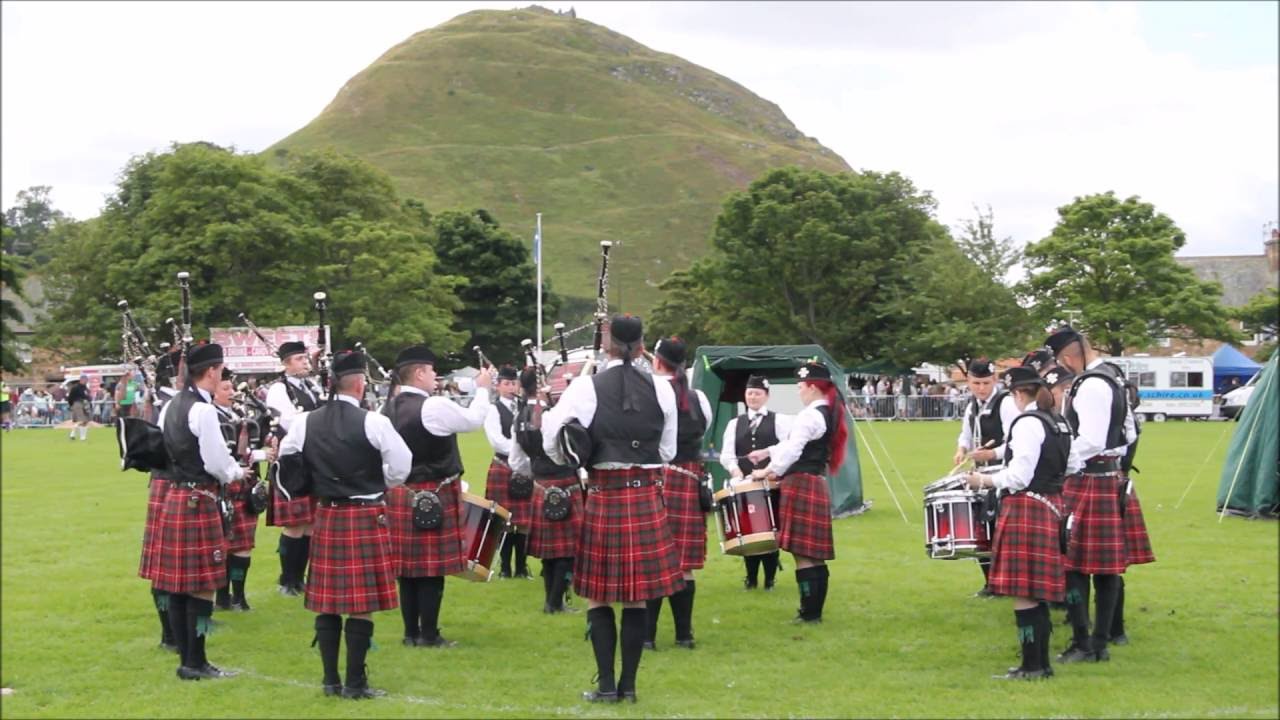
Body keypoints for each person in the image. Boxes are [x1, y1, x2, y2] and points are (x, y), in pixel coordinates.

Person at [542, 315, 683, 703]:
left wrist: (580, 456)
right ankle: (630, 687)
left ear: (607, 344)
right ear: (641, 347)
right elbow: (668, 451)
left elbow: (553, 438)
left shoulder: (586, 387)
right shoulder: (662, 388)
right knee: (637, 596)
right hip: (645, 496)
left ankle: (606, 686)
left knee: (599, 596)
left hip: (605, 495)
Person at [276, 349, 412, 699]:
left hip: (328, 514)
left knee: (327, 601)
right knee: (360, 604)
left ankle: (329, 681)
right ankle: (354, 684)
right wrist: (375, 480)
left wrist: (314, 480)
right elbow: (400, 467)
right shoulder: (373, 421)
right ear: (360, 383)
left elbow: (287, 459)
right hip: (365, 515)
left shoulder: (305, 421)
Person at [964, 366, 1071, 680]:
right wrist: (994, 454)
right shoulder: (1058, 421)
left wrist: (982, 479)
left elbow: (1018, 476)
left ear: (1015, 393)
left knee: (1024, 593)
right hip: (1052, 504)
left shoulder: (1027, 423)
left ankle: (1033, 666)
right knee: (1035, 592)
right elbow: (1073, 462)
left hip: (1027, 507)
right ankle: (1039, 664)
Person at [152, 342, 250, 680]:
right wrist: (237, 472)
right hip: (200, 499)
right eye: (221, 370)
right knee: (204, 586)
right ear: (211, 372)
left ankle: (187, 659)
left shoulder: (170, 407)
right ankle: (197, 662)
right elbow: (217, 464)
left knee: (180, 585)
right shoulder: (204, 411)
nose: (222, 374)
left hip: (176, 496)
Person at [384, 344, 493, 648]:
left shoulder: (387, 407)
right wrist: (483, 390)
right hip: (434, 491)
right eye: (432, 371)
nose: (435, 377)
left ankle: (410, 634)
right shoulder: (432, 406)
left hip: (401, 493)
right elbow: (473, 421)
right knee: (431, 570)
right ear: (419, 373)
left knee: (407, 569)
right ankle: (429, 635)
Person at [1046, 326, 1137, 664]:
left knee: (1076, 566)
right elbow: (1129, 432)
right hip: (1106, 476)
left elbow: (1092, 440)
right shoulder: (1112, 378)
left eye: (1061, 360)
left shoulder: (1090, 385)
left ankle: (1088, 643)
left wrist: (1057, 458)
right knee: (1104, 568)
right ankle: (1097, 641)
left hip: (1089, 479)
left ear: (1069, 355)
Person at [746, 361, 847, 623]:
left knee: (803, 554)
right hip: (814, 481)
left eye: (800, 387)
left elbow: (793, 450)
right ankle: (812, 611)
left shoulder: (810, 414)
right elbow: (791, 444)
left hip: (800, 484)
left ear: (813, 387)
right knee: (814, 555)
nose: (799, 392)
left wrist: (767, 470)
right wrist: (768, 452)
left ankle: (809, 612)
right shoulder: (828, 412)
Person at [645, 337, 712, 650]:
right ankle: (684, 635)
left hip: (657, 479)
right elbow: (704, 428)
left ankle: (646, 637)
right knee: (683, 564)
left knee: (653, 560)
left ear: (658, 362)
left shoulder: (650, 392)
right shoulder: (697, 396)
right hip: (689, 478)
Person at [510, 366, 582, 613]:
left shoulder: (519, 418)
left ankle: (552, 602)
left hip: (540, 485)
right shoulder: (553, 412)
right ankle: (554, 602)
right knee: (567, 550)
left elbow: (515, 461)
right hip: (564, 481)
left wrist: (538, 476)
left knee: (551, 552)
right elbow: (569, 450)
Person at [952, 357, 1019, 597]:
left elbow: (1016, 440)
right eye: (976, 383)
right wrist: (961, 449)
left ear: (995, 380)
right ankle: (991, 583)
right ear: (968, 381)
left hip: (1003, 473)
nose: (981, 388)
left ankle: (1005, 582)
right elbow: (966, 434)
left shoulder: (1007, 403)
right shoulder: (972, 405)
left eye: (986, 383)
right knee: (982, 529)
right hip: (980, 474)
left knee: (1001, 530)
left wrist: (993, 452)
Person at [719, 374, 792, 590]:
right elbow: (726, 454)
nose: (753, 397)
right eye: (750, 393)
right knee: (748, 532)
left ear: (766, 396)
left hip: (770, 484)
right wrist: (734, 471)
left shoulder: (779, 421)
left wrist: (773, 472)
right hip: (744, 485)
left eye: (758, 393)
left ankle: (770, 579)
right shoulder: (735, 424)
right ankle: (751, 579)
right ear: (745, 395)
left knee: (769, 532)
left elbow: (787, 449)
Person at [264, 341, 323, 596]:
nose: (304, 362)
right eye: (299, 359)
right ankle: (287, 580)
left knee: (310, 523)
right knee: (295, 524)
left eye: (305, 358)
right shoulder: (278, 389)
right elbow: (291, 420)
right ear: (286, 364)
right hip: (290, 463)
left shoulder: (311, 385)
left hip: (312, 459)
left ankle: (301, 579)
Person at [211, 368, 273, 612]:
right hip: (224, 486)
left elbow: (257, 439)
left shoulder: (240, 413)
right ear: (213, 392)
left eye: (232, 387)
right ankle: (222, 597)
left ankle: (238, 595)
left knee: (244, 546)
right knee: (223, 545)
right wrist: (258, 455)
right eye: (225, 388)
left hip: (246, 488)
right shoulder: (211, 416)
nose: (232, 392)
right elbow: (222, 452)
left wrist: (269, 443)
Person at [138, 349, 183, 653]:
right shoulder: (167, 404)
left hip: (169, 483)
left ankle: (177, 628)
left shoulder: (170, 401)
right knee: (164, 565)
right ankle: (169, 632)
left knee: (172, 564)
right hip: (169, 482)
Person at [483, 365, 532, 579]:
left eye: (514, 383)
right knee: (504, 521)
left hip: (523, 468)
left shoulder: (524, 407)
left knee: (523, 522)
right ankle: (505, 568)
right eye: (506, 384)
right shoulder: (493, 409)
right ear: (498, 386)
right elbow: (496, 440)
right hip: (503, 467)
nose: (511, 387)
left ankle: (521, 568)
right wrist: (518, 450)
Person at [67, 374, 92, 441]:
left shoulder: (85, 388)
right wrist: (71, 405)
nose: (87, 381)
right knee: (81, 420)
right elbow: (70, 397)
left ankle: (82, 437)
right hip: (77, 403)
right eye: (86, 379)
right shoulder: (75, 387)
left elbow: (88, 396)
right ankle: (72, 433)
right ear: (82, 379)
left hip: (85, 404)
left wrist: (89, 402)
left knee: (85, 421)